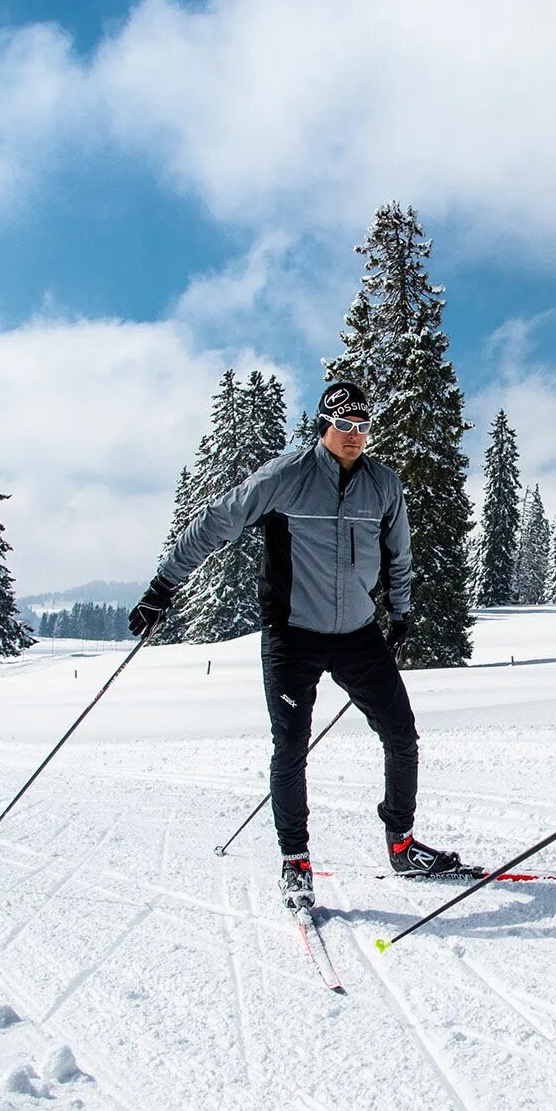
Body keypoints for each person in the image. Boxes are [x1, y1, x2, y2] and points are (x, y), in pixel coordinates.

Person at [132, 380, 465, 913]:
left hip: (358, 634)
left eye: (362, 426)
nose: (354, 436)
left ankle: (401, 844)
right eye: (343, 426)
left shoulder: (384, 486)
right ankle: (295, 861)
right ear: (324, 426)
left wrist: (400, 612)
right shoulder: (286, 478)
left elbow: (399, 554)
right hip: (293, 635)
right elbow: (217, 522)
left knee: (402, 736)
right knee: (290, 748)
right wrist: (163, 587)